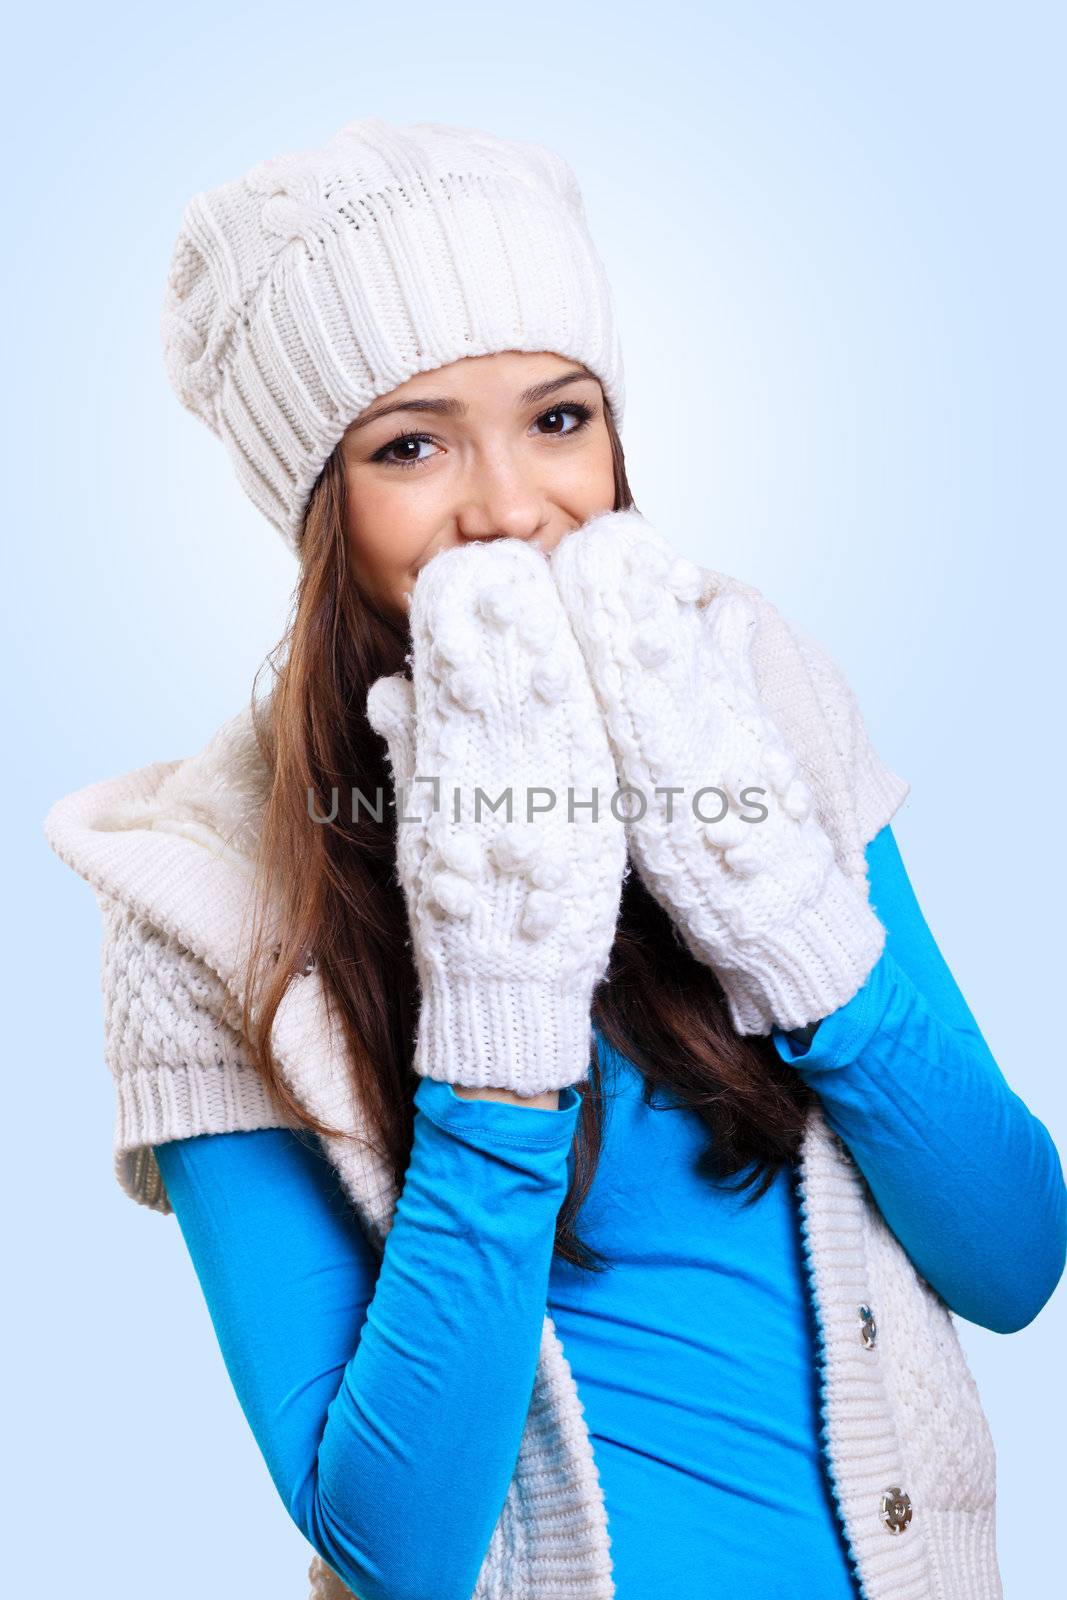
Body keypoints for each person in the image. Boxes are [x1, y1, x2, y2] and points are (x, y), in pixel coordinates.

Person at [42, 116, 1065, 1600]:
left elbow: (1015, 1258)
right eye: (412, 445)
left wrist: (782, 913)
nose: (512, 503)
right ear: (315, 502)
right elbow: (392, 1545)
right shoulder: (202, 891)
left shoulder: (757, 694)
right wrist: (504, 1015)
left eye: (560, 418)